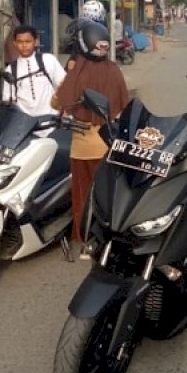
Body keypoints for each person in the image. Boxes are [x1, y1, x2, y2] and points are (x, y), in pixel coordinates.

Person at [53, 20, 129, 254]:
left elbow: (58, 102)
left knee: (82, 194)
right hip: (108, 144)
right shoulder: (114, 69)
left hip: (82, 146)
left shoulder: (78, 70)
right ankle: (107, 238)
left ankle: (83, 237)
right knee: (107, 194)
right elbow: (123, 105)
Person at [1, 25, 67, 133]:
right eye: (20, 42)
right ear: (14, 43)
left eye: (28, 41)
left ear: (35, 42)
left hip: (51, 124)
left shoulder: (48, 60)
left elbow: (63, 85)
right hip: (25, 128)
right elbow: (8, 101)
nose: (24, 45)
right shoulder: (10, 70)